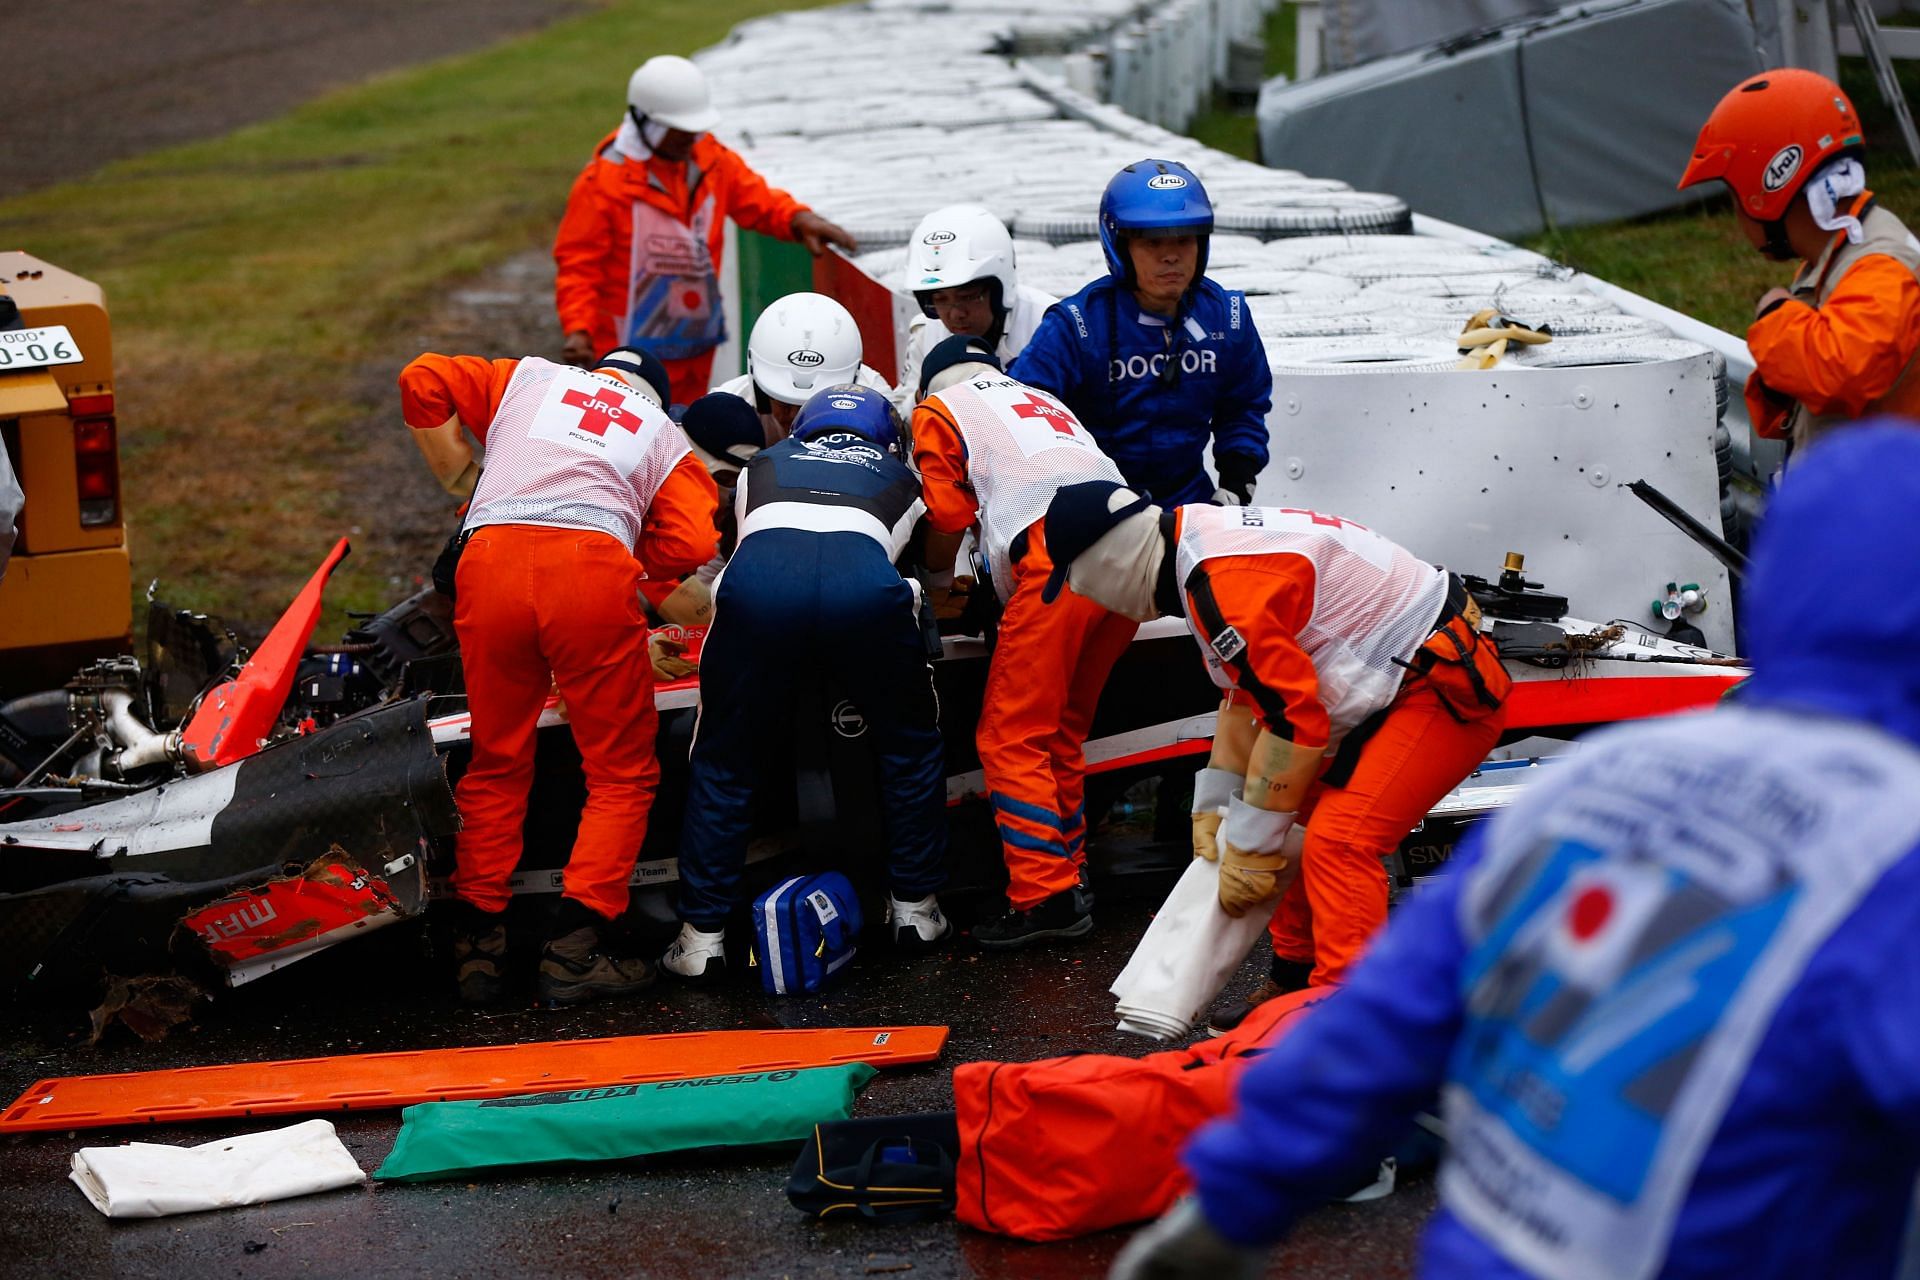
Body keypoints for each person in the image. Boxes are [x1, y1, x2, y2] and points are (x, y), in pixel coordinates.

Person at [1110, 424, 1920, 1280]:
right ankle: (1292, 982)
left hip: (1484, 1256)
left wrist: (1234, 1197)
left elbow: (1380, 1026)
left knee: (1338, 843)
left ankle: (1292, 997)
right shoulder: (1893, 856)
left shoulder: (1601, 779)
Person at [1040, 482, 1509, 1022]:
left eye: (1078, 579)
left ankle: (1348, 1020)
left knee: (1340, 840)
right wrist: (1217, 809)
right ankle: (1293, 984)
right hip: (1402, 677)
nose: (1087, 595)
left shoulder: (1218, 585)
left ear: (1106, 559)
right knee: (1286, 826)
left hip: (1441, 689)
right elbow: (1247, 699)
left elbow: (1295, 724)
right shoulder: (1197, 549)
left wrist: (1249, 842)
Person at [398, 345, 718, 1006]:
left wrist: (463, 476)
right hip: (591, 574)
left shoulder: (525, 376)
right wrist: (631, 554)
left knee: (495, 759)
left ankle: (480, 947)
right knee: (621, 772)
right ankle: (576, 949)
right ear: (655, 396)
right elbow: (692, 544)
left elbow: (420, 378)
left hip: (487, 564)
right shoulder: (665, 435)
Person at [660, 384, 948, 979]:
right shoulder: (904, 476)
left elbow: (744, 549)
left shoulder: (760, 467)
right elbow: (934, 576)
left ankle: (700, 939)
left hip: (760, 594)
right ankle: (915, 909)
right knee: (910, 749)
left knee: (723, 761)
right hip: (864, 595)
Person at [910, 335, 1137, 947]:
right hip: (1135, 552)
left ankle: (1046, 894)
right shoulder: (1040, 397)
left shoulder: (940, 408)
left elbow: (948, 514)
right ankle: (1072, 870)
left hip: (1060, 555)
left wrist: (933, 575)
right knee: (1059, 728)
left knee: (1010, 735)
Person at [553, 54, 857, 406]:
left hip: (694, 348)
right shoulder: (601, 183)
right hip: (627, 357)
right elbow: (579, 264)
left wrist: (798, 219)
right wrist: (579, 328)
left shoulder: (710, 159)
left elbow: (755, 199)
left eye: (693, 130)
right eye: (680, 131)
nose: (690, 138)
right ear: (644, 121)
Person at [1678, 68, 1920, 463]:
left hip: (1887, 514)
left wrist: (1775, 313)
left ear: (1766, 188)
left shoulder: (1882, 265)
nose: (1736, 216)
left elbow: (1841, 373)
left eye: (1734, 196)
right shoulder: (1839, 253)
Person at [1008, 159, 1271, 507]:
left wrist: (1236, 483)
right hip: (1092, 509)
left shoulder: (1228, 316)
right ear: (1119, 246)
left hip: (1191, 507)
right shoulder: (1075, 326)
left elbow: (1244, 407)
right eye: (1153, 242)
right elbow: (1020, 418)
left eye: (1184, 240)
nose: (1171, 257)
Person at [894, 205, 1055, 416]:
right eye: (939, 299)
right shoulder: (926, 332)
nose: (955, 314)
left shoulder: (1047, 325)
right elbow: (897, 420)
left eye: (967, 297)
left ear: (999, 289)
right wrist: (924, 391)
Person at [713, 291, 895, 445]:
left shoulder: (879, 409)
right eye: (784, 403)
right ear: (760, 390)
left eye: (808, 405)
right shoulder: (721, 411)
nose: (794, 417)